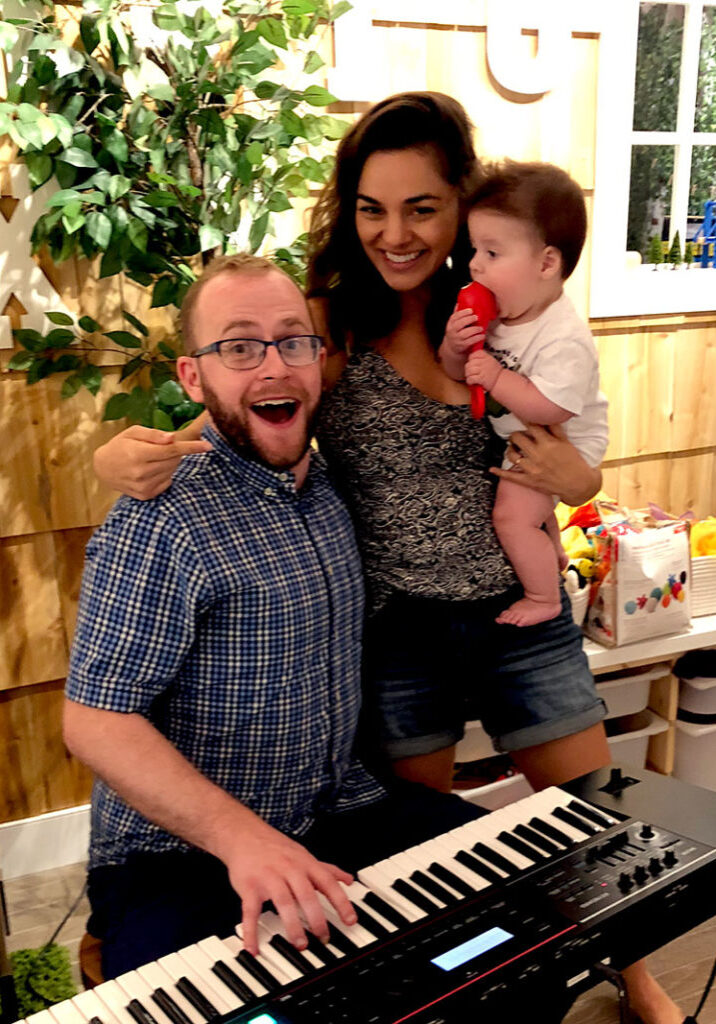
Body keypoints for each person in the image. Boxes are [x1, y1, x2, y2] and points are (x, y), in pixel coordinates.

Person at [92, 93, 682, 1024]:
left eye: (422, 207)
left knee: (592, 824)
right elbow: (248, 391)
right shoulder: (332, 326)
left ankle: (632, 973)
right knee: (417, 909)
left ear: (461, 207)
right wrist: (116, 457)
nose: (396, 232)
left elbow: (570, 450)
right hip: (399, 625)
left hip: (513, 605)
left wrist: (579, 477)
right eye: (372, 208)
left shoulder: (506, 309)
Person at [64, 253, 483, 981]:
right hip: (179, 860)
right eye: (238, 346)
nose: (273, 367)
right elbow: (94, 721)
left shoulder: (328, 487)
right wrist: (244, 840)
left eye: (292, 341)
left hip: (340, 811)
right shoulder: (160, 520)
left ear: (320, 362)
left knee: (525, 909)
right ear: (193, 377)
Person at [438, 161, 609, 628]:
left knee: (511, 519)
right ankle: (550, 549)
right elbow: (459, 373)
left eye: (493, 253)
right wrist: (455, 347)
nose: (474, 264)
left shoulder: (562, 336)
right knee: (529, 513)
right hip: (524, 439)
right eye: (475, 249)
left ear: (546, 263)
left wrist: (495, 378)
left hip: (564, 442)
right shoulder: (503, 314)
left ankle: (544, 597)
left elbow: (551, 407)